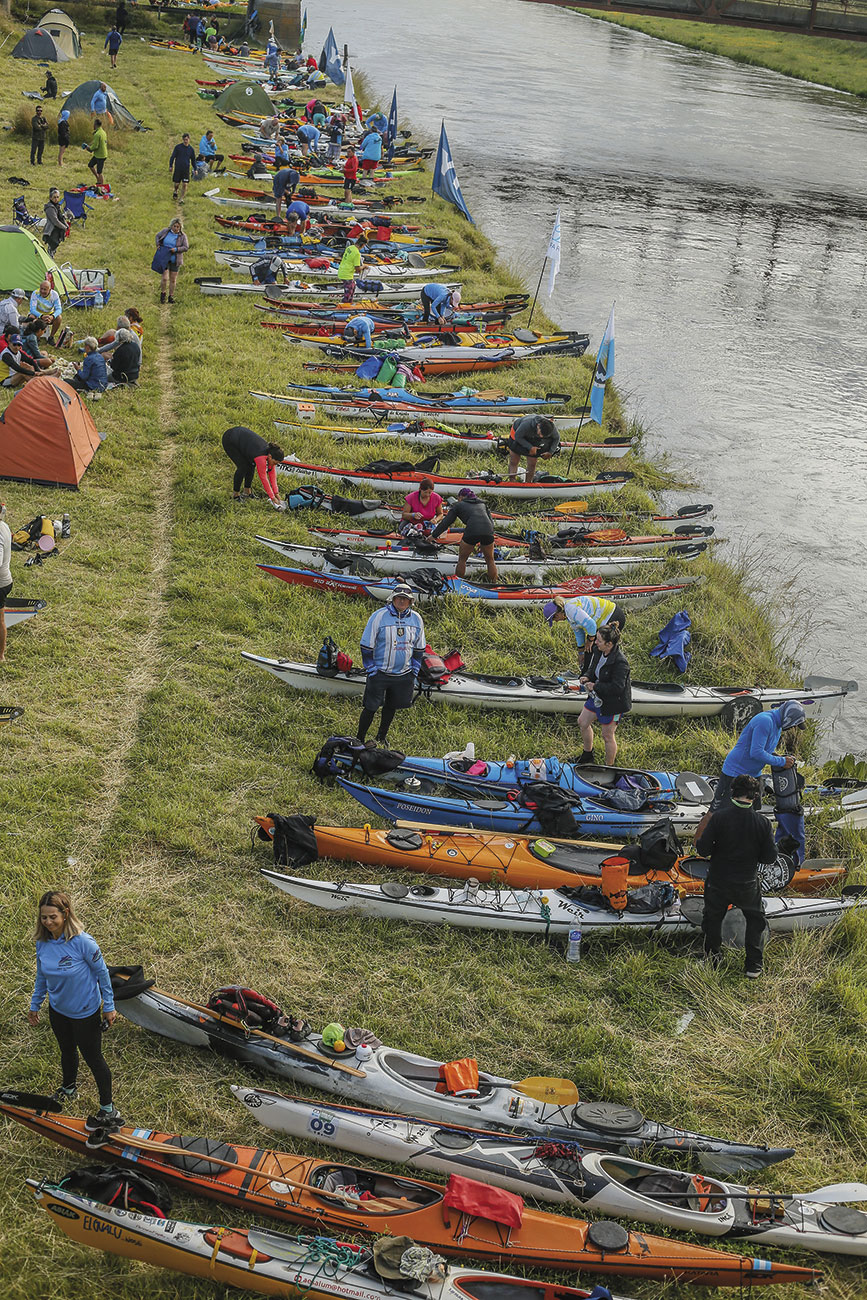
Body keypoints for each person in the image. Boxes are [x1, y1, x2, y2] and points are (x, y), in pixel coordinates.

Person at [28, 890, 122, 1131]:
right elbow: (41, 977)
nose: (48, 922)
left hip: (84, 1012)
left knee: (94, 1059)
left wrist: (109, 1006)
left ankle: (108, 1109)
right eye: (43, 918)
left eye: (52, 917)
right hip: (58, 1010)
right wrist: (35, 1004)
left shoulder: (83, 942)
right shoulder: (43, 943)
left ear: (65, 914)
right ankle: (68, 1088)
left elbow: (103, 973)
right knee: (66, 1051)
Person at [695, 774, 777, 979]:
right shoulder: (763, 823)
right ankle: (753, 966)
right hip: (747, 883)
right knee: (755, 921)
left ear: (733, 792)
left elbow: (703, 850)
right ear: (755, 796)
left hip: (718, 881)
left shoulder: (719, 817)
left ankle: (713, 959)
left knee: (713, 919)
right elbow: (769, 858)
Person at [707, 701, 806, 815]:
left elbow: (765, 749)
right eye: (793, 724)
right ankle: (704, 832)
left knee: (751, 812)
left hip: (754, 774)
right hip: (735, 772)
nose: (793, 727)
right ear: (787, 717)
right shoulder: (765, 721)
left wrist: (778, 757)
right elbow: (756, 752)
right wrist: (782, 761)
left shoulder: (777, 726)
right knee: (714, 813)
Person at [357, 584, 426, 743]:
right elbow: (366, 644)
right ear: (392, 599)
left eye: (405, 599)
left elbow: (419, 647)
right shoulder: (379, 616)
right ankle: (360, 738)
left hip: (403, 674)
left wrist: (414, 670)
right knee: (370, 707)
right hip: (380, 672)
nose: (402, 601)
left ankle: (381, 737)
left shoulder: (416, 618)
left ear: (410, 601)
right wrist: (371, 668)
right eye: (399, 598)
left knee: (391, 706)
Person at [575, 622, 632, 766]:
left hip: (613, 702)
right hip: (597, 696)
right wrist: (587, 676)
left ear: (609, 644)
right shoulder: (598, 650)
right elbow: (593, 667)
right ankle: (587, 755)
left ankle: (609, 767)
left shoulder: (621, 663)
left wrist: (595, 686)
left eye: (599, 640)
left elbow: (617, 688)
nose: (596, 642)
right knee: (583, 722)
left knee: (607, 735)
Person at [430, 487, 498, 582]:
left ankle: (459, 584)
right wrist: (485, 541)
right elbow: (491, 523)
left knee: (462, 560)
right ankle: (494, 584)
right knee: (490, 560)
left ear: (461, 497)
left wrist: (433, 536)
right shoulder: (482, 504)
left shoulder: (458, 505)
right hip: (488, 531)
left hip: (472, 530)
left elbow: (446, 523)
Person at [543, 593, 627, 669]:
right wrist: (581, 653)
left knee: (594, 648)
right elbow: (579, 633)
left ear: (557, 613)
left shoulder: (571, 609)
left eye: (555, 619)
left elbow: (591, 625)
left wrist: (590, 640)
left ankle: (591, 677)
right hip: (604, 619)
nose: (556, 621)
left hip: (613, 615)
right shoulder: (568, 615)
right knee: (589, 650)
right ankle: (587, 675)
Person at [221, 426, 286, 507]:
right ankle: (235, 495)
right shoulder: (261, 457)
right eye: (275, 463)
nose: (274, 465)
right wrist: (272, 498)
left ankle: (247, 492)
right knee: (243, 467)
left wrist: (277, 494)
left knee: (251, 465)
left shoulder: (271, 454)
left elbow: (272, 475)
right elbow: (264, 478)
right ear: (270, 456)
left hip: (242, 440)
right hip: (230, 439)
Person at [506, 415, 560, 482]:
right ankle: (512, 481)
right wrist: (530, 447)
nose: (541, 436)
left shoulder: (551, 428)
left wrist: (550, 452)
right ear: (538, 426)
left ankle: (528, 483)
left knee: (532, 463)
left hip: (533, 438)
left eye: (544, 436)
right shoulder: (526, 424)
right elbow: (518, 437)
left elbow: (556, 438)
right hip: (517, 435)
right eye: (540, 434)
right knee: (514, 460)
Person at [154, 218, 188, 304]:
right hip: (164, 258)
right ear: (171, 226)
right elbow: (157, 236)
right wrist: (158, 245)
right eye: (174, 226)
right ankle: (163, 294)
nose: (176, 228)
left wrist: (176, 249)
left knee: (173, 279)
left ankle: (171, 296)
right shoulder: (165, 231)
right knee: (165, 278)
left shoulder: (182, 236)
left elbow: (186, 247)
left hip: (175, 260)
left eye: (178, 227)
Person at [30, 280, 63, 344]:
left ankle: (51, 337)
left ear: (50, 290)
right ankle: (36, 337)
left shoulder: (54, 295)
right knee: (31, 317)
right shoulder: (35, 293)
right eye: (41, 289)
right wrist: (41, 316)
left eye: (45, 289)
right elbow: (32, 309)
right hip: (38, 314)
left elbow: (59, 309)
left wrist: (52, 317)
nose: (42, 291)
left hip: (49, 314)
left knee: (59, 318)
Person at [169, 133, 197, 203]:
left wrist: (195, 169)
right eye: (184, 140)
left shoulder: (191, 149)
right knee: (177, 184)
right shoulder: (178, 147)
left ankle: (181, 198)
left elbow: (193, 160)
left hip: (186, 169)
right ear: (183, 140)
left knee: (185, 184)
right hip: (178, 168)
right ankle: (175, 191)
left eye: (187, 139)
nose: (185, 141)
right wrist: (171, 166)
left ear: (189, 140)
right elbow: (172, 157)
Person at [0, 502, 11, 663]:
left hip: (0, 584)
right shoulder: (4, 525)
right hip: (5, 580)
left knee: (0, 619)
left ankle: (0, 655)